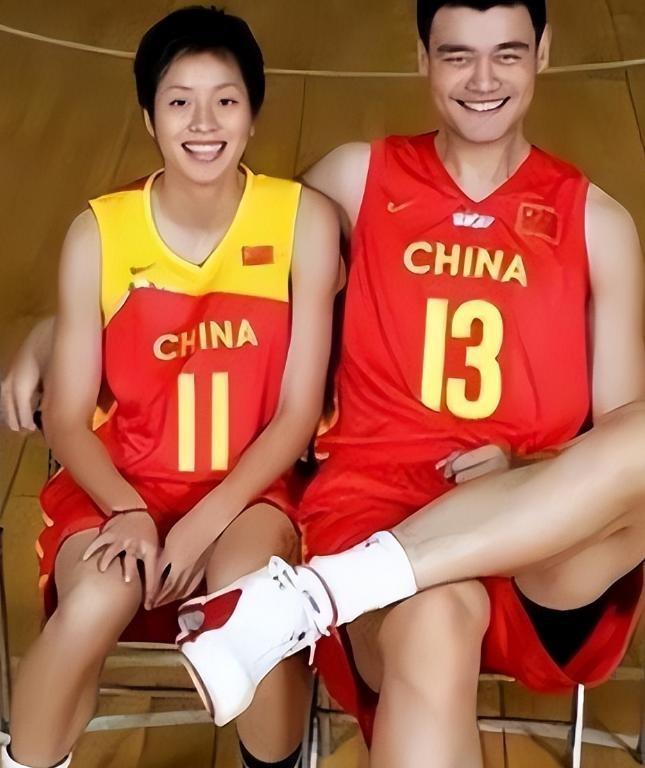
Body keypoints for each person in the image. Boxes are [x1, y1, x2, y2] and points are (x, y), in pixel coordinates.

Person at [167, 2, 645, 766]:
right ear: (421, 56)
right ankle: (345, 585)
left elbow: (622, 445)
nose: (482, 79)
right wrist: (66, 325)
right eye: (457, 55)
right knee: (433, 622)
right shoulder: (358, 179)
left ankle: (318, 594)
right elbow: (203, 248)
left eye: (506, 53)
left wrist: (529, 467)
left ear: (543, 52)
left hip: (538, 545)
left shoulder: (595, 222)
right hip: (377, 506)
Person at [0, 6, 339, 768]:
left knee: (252, 594)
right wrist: (129, 509)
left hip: (252, 492)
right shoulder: (99, 232)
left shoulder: (301, 222)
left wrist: (199, 525)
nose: (203, 122)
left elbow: (296, 416)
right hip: (119, 484)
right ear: (150, 117)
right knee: (96, 597)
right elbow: (67, 416)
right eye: (180, 101)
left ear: (253, 114)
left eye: (225, 100)